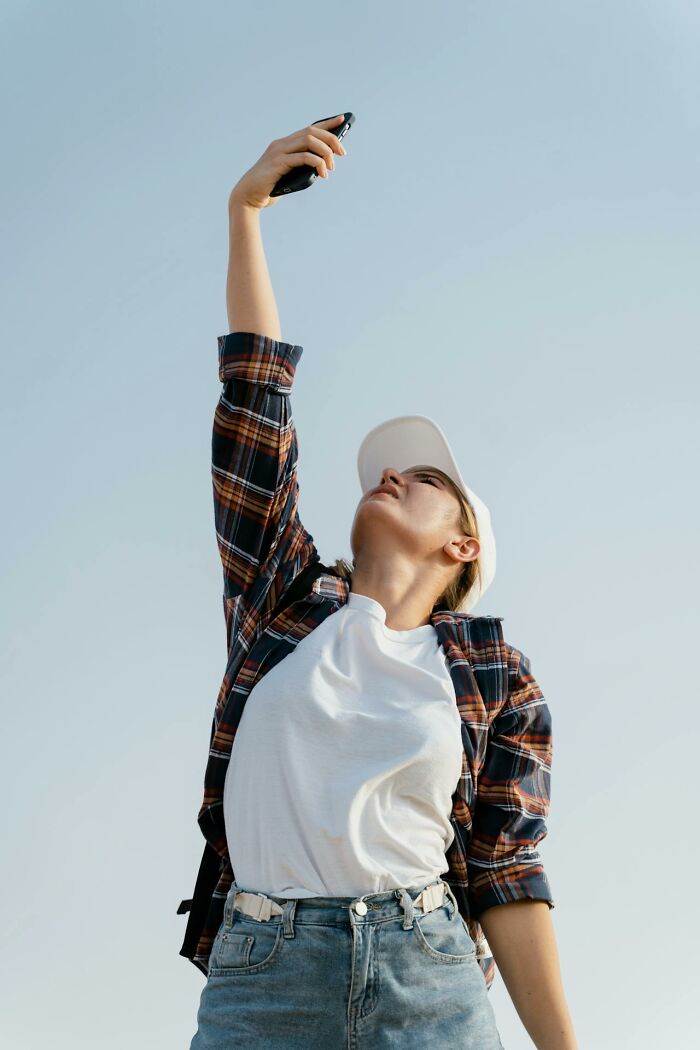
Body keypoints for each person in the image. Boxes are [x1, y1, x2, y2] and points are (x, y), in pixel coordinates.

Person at [182, 115, 579, 1049]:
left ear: (462, 551)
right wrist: (246, 213)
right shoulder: (283, 604)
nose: (394, 474)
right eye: (387, 472)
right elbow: (255, 407)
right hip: (261, 980)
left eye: (428, 479)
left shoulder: (496, 677)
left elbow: (507, 876)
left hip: (429, 976)